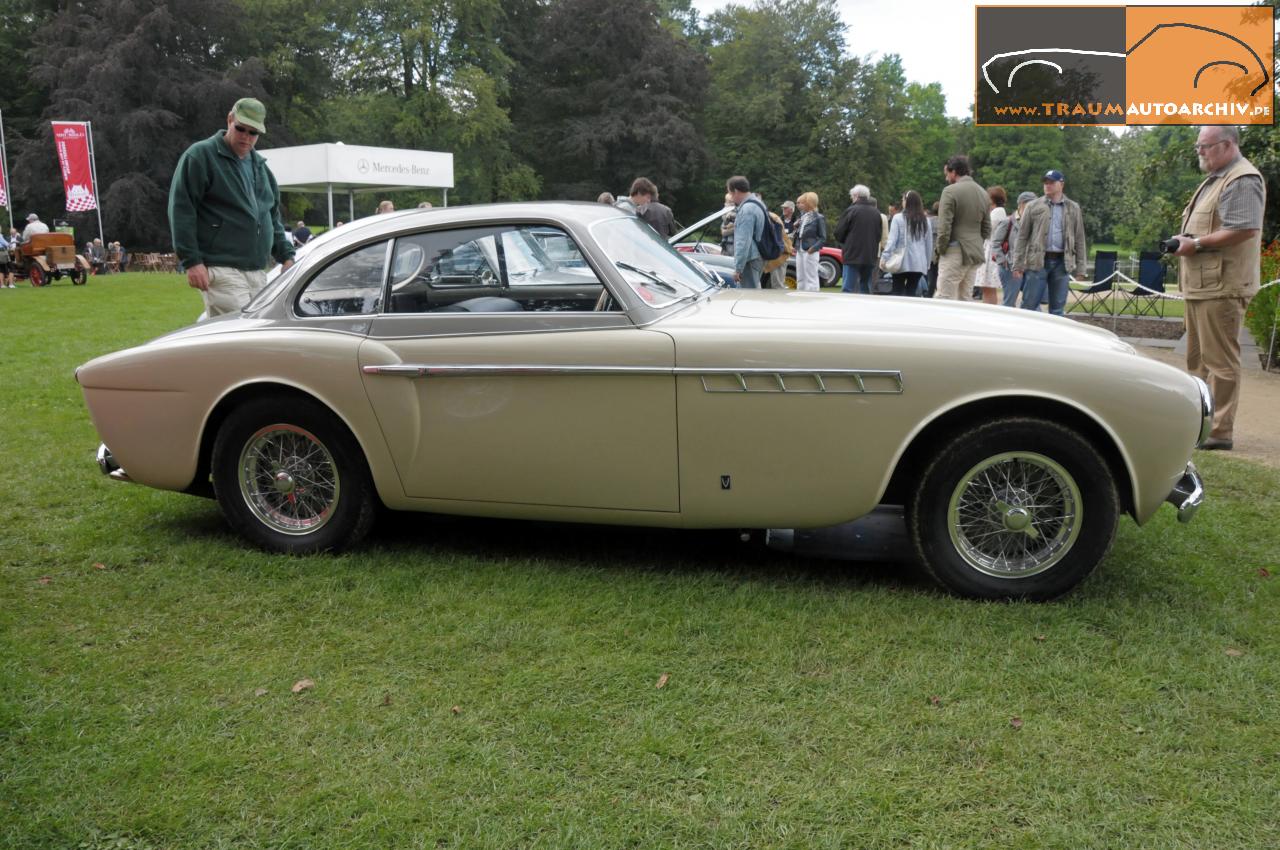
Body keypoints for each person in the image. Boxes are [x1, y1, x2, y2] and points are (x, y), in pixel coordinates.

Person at [1170, 125, 1266, 451]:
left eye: (1205, 146)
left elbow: (1244, 230)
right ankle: (1202, 425)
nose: (1200, 151)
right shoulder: (1217, 178)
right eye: (1199, 146)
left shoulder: (1242, 179)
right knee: (1197, 361)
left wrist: (1194, 243)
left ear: (1227, 145)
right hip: (1203, 285)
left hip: (1222, 286)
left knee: (1221, 363)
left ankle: (1220, 431)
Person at [168, 97, 295, 318]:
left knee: (244, 337)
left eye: (253, 132)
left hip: (257, 271)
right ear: (229, 120)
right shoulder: (200, 156)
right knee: (241, 336)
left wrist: (286, 255)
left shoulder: (262, 168)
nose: (246, 137)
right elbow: (181, 210)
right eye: (241, 128)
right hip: (222, 268)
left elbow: (271, 217)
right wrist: (192, 261)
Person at [1011, 169, 1086, 316]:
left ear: (1061, 184)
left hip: (1062, 263)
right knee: (1028, 306)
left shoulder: (1073, 207)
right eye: (1045, 182)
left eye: (1051, 182)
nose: (1047, 185)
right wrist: (1018, 264)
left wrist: (1081, 268)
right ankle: (1026, 337)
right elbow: (1022, 237)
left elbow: (1079, 239)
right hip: (1037, 261)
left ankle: (1054, 338)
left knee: (1057, 309)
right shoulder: (1033, 206)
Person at [933, 155, 990, 302]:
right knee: (965, 299)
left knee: (944, 298)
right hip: (975, 251)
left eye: (947, 174)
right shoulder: (983, 193)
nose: (946, 178)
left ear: (954, 172)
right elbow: (986, 228)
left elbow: (944, 227)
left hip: (955, 250)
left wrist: (941, 250)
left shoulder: (950, 191)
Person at [881, 190, 933, 297]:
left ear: (907, 201)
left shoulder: (898, 218)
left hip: (901, 261)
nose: (902, 202)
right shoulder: (925, 220)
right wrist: (927, 263)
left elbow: (892, 241)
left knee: (897, 290)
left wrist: (884, 257)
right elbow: (928, 244)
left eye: (903, 199)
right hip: (919, 263)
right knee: (911, 292)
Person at [833, 184, 881, 294]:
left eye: (851, 196)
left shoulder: (851, 210)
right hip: (869, 254)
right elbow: (878, 235)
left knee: (848, 288)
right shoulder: (876, 213)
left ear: (856, 196)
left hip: (852, 254)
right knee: (865, 287)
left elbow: (839, 232)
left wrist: (844, 243)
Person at [993, 191, 1035, 307]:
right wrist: (1002, 261)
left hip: (1030, 267)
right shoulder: (1008, 221)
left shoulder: (1036, 222)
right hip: (1009, 268)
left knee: (1032, 302)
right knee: (1009, 302)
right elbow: (995, 243)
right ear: (1021, 204)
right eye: (1030, 204)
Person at [727, 176, 764, 289]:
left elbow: (743, 242)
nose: (731, 198)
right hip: (757, 257)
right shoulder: (758, 203)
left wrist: (738, 269)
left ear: (736, 191)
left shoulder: (746, 210)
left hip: (749, 259)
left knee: (747, 297)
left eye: (731, 194)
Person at [977, 186, 1008, 304]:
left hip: (991, 250)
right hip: (989, 248)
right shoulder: (997, 211)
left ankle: (989, 310)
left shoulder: (997, 212)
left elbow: (987, 230)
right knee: (987, 287)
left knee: (988, 286)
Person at [792, 192, 825, 292]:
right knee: (800, 276)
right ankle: (800, 296)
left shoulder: (819, 217)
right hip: (800, 249)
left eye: (802, 202)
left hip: (810, 250)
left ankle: (812, 299)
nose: (799, 205)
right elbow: (800, 234)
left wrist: (813, 248)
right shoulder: (802, 216)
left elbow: (823, 238)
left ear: (808, 203)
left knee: (811, 277)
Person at [757, 195, 792, 289]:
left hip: (779, 255)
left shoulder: (772, 218)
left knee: (777, 286)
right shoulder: (769, 216)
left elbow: (778, 241)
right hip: (776, 255)